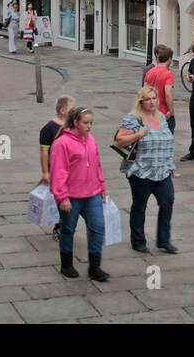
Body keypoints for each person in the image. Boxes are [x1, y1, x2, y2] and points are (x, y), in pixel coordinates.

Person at [114, 87, 178, 254]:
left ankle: (164, 241)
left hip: (162, 171)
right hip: (141, 172)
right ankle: (138, 241)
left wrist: (170, 165)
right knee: (140, 206)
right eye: (148, 99)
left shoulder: (161, 117)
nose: (152, 102)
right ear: (141, 101)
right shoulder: (133, 119)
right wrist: (139, 134)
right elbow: (119, 141)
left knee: (167, 201)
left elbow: (167, 142)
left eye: (154, 98)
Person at [50, 106, 109, 282]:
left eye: (91, 123)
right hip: (71, 196)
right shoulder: (62, 143)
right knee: (68, 229)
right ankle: (66, 264)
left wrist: (102, 187)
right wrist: (62, 197)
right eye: (85, 123)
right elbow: (58, 172)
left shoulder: (91, 140)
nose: (89, 126)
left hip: (92, 194)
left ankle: (94, 267)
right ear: (75, 122)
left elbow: (97, 164)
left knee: (98, 227)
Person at [40, 95, 76, 186]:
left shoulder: (74, 125)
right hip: (57, 168)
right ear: (62, 111)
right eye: (72, 110)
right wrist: (45, 173)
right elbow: (44, 150)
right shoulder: (48, 128)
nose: (75, 112)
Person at [143, 44, 176, 134]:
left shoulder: (149, 72)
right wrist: (170, 111)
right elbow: (168, 93)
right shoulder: (168, 74)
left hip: (151, 112)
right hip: (164, 113)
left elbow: (144, 92)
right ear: (169, 59)